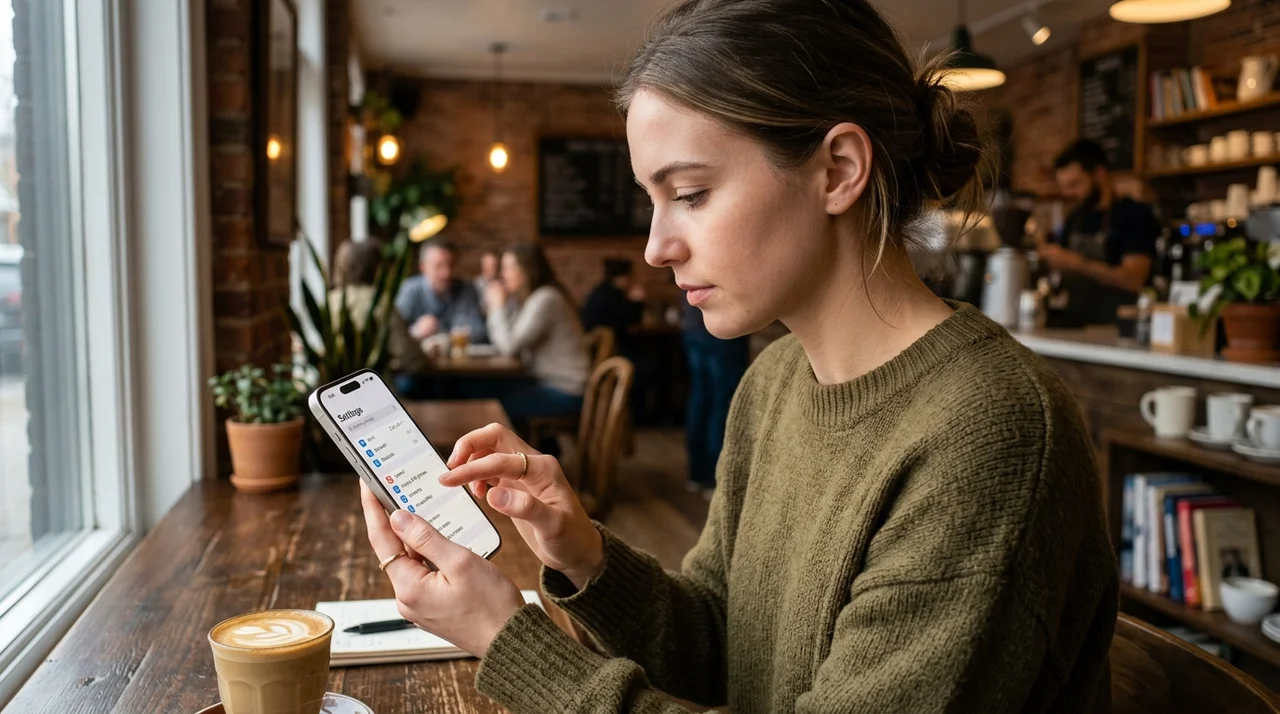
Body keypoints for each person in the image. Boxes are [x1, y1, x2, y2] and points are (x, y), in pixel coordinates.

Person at [359, 1, 1118, 712]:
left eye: (689, 193)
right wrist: (585, 554)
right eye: (653, 202)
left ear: (838, 170)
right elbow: (720, 641)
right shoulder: (776, 380)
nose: (657, 247)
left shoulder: (990, 434)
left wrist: (506, 641)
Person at [1041, 139, 1160, 327]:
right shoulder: (1075, 218)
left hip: (1117, 328)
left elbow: (1133, 279)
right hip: (1075, 325)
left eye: (1074, 184)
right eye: (1064, 187)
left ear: (1099, 175)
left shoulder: (1134, 215)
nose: (1068, 193)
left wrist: (1078, 263)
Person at [479, 243, 591, 423]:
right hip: (551, 382)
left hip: (567, 390)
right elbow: (512, 336)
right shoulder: (534, 298)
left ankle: (526, 447)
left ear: (527, 270)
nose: (503, 275)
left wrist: (497, 306)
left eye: (509, 268)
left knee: (496, 406)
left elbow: (508, 346)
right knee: (483, 392)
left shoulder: (546, 298)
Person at [328, 239, 427, 376]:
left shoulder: (329, 302)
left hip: (329, 389)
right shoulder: (381, 303)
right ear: (378, 268)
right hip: (374, 387)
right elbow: (412, 359)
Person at [682, 300, 748, 495]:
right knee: (720, 403)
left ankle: (696, 474)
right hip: (721, 330)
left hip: (692, 327)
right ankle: (713, 478)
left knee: (701, 398)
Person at [394, 238, 489, 344]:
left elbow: (479, 333)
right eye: (439, 266)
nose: (446, 273)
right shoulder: (410, 290)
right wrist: (416, 331)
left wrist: (441, 334)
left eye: (451, 265)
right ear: (423, 267)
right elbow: (392, 333)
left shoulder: (466, 289)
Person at [580, 258, 647, 351]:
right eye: (630, 276)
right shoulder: (611, 296)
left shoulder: (601, 291)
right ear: (622, 277)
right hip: (610, 349)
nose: (632, 280)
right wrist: (638, 302)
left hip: (596, 348)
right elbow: (632, 321)